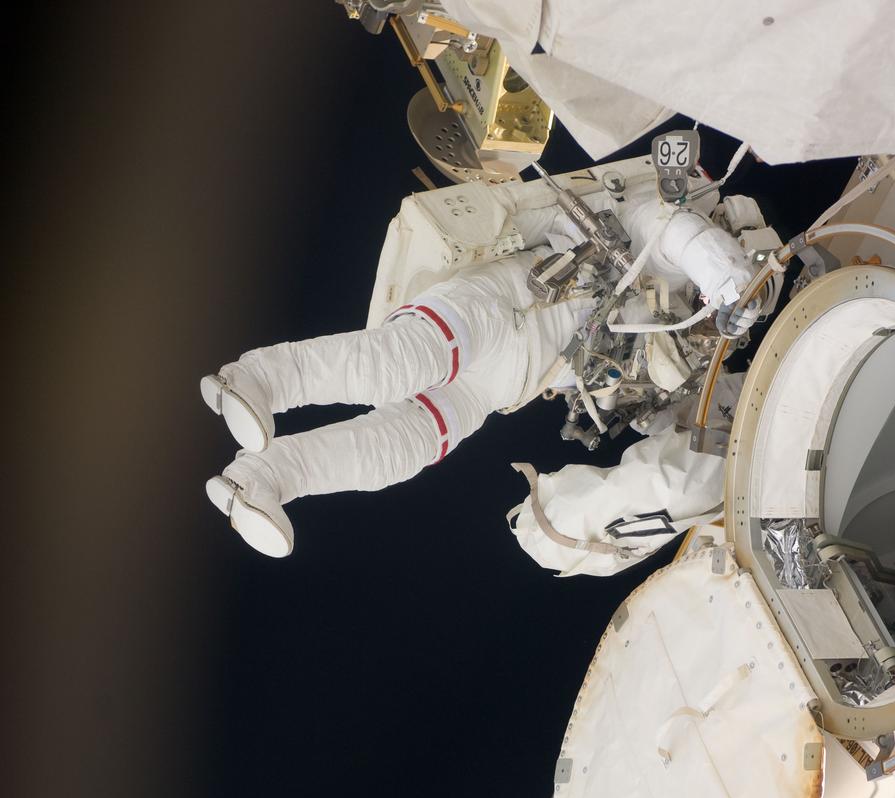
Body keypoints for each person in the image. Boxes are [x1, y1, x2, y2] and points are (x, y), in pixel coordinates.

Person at [202, 168, 763, 558]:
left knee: (403, 447)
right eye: (733, 243)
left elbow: (675, 422)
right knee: (398, 363)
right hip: (502, 303)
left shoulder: (690, 338)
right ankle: (256, 380)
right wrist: (733, 285)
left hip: (502, 385)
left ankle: (264, 480)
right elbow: (678, 232)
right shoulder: (662, 234)